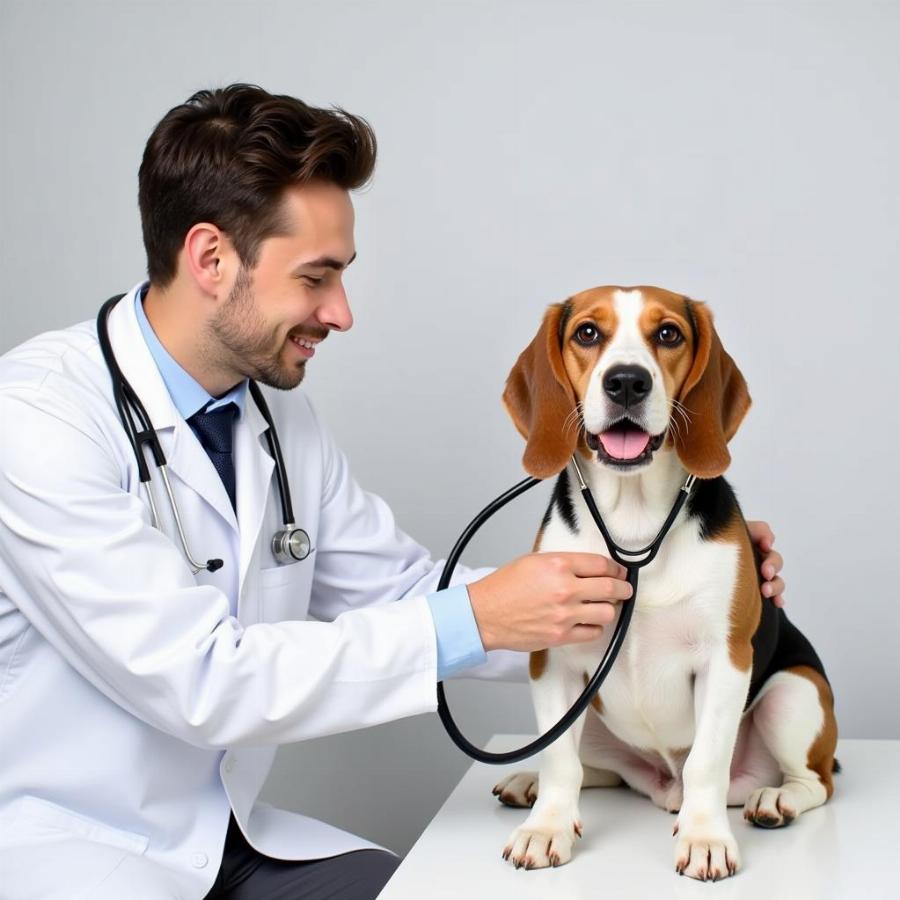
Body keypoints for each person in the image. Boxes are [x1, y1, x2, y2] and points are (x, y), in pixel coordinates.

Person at [0, 84, 785, 900]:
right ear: (210, 258)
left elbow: (403, 590)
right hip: (72, 851)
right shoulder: (37, 419)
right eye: (317, 278)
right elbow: (202, 680)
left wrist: (673, 588)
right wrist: (477, 618)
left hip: (231, 841)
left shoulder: (276, 417)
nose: (340, 313)